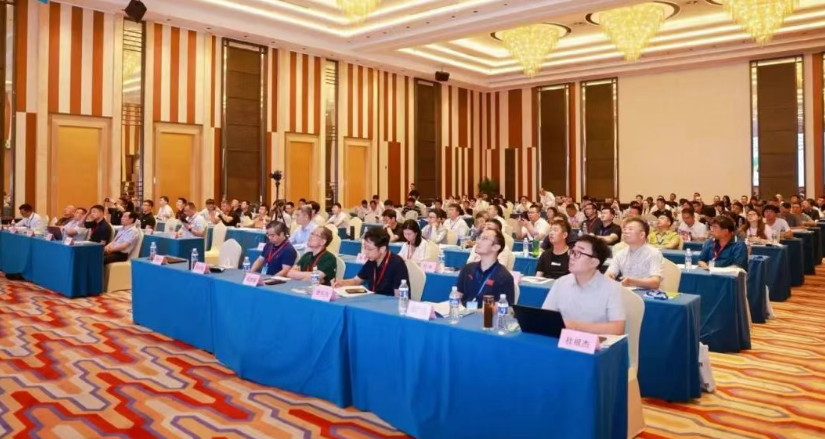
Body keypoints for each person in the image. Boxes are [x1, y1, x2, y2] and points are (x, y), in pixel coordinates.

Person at [542, 235, 625, 335]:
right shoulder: (561, 283)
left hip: (595, 342)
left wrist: (574, 326)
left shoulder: (612, 288)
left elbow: (618, 329)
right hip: (562, 340)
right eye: (572, 252)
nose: (572, 257)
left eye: (578, 253)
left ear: (593, 262)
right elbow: (545, 318)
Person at [332, 228, 410, 296]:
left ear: (382, 249)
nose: (365, 252)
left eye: (369, 249)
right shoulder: (371, 261)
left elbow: (399, 297)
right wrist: (342, 283)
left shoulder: (397, 264)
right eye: (364, 247)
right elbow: (356, 281)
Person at [454, 229, 515, 306]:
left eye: (485, 238)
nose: (478, 241)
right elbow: (456, 294)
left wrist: (477, 311)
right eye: (479, 238)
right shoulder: (467, 269)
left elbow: (504, 307)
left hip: (487, 313)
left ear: (495, 247)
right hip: (464, 311)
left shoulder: (504, 276)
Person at [606, 218, 664, 289]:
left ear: (642, 235)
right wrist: (609, 277)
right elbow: (609, 274)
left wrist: (632, 281)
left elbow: (655, 283)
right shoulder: (620, 253)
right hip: (625, 292)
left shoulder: (654, 253)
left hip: (646, 293)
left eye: (630, 229)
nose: (625, 232)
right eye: (625, 229)